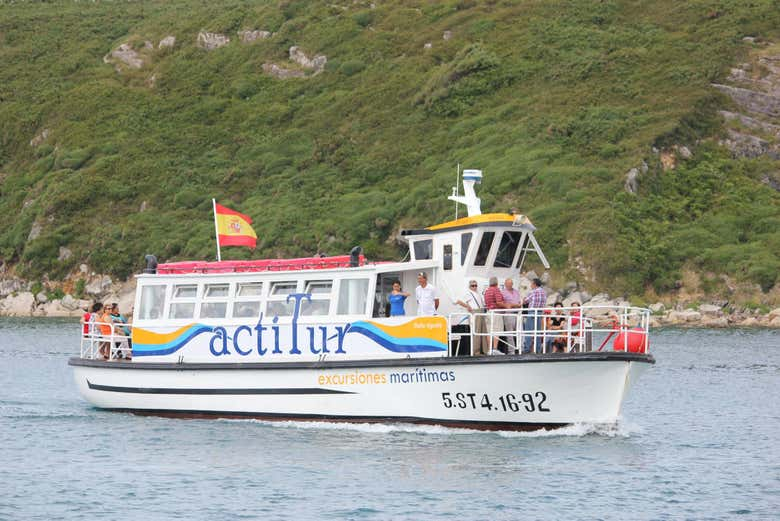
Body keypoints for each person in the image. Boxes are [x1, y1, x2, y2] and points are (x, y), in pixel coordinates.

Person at [455, 280, 488, 355]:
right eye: (472, 286)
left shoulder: (478, 293)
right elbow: (459, 301)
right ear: (469, 286)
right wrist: (467, 306)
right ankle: (476, 351)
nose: (474, 287)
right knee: (476, 332)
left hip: (481, 311)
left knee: (483, 332)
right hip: (475, 312)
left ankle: (485, 350)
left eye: (475, 285)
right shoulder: (468, 293)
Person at [522, 278, 547, 353]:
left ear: (535, 284)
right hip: (539, 313)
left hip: (532, 312)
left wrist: (523, 300)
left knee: (528, 331)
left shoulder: (533, 292)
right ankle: (538, 349)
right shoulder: (543, 292)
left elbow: (525, 301)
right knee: (538, 332)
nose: (531, 285)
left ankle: (527, 349)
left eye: (531, 284)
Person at [483, 277, 508, 354]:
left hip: (488, 312)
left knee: (489, 331)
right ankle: (494, 349)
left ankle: (489, 349)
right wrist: (507, 306)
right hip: (496, 313)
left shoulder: (486, 291)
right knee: (497, 331)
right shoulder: (496, 290)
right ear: (496, 283)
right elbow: (498, 302)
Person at [501, 278, 522, 352]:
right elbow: (503, 303)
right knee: (510, 333)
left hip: (518, 313)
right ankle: (511, 350)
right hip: (509, 313)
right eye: (509, 284)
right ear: (505, 284)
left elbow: (519, 302)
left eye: (511, 283)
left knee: (519, 331)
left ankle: (520, 348)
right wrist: (514, 305)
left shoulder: (516, 291)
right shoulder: (503, 292)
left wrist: (518, 305)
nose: (510, 285)